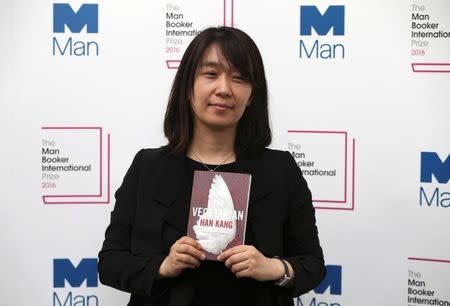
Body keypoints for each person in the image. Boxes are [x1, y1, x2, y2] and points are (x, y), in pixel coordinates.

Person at [98, 26, 325, 306]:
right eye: (211, 74)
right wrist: (163, 266)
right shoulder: (148, 167)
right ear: (187, 87)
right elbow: (110, 263)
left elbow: (312, 265)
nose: (224, 89)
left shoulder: (281, 170)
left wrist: (273, 268)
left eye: (239, 78)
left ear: (252, 95)